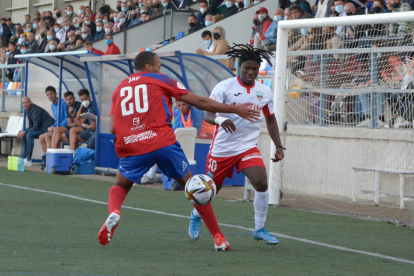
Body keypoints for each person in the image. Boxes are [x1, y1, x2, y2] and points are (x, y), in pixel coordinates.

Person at [98, 51, 261, 251]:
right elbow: (199, 102)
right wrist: (235, 109)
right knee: (194, 187)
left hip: (133, 145)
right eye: (158, 65)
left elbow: (112, 129)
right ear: (149, 67)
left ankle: (114, 211)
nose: (160, 68)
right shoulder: (160, 79)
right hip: (162, 142)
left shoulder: (119, 89)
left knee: (121, 185)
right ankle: (218, 237)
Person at [188, 45, 284, 246]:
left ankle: (259, 228)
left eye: (255, 69)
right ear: (239, 67)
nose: (250, 72)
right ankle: (196, 214)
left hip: (247, 147)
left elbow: (271, 119)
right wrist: (221, 121)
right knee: (210, 190)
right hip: (222, 148)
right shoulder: (224, 87)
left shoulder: (264, 91)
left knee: (261, 182)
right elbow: (208, 114)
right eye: (247, 68)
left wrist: (279, 146)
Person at [18, 97, 55, 167]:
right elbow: (31, 126)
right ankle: (23, 158)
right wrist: (23, 131)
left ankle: (28, 159)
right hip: (40, 128)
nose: (25, 104)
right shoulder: (28, 111)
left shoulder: (36, 110)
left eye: (26, 102)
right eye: (23, 103)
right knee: (24, 134)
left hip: (47, 129)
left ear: (30, 102)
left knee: (29, 135)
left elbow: (35, 127)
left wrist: (25, 132)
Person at [39, 86, 69, 167]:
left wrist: (55, 127)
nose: (49, 96)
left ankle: (51, 160)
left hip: (66, 127)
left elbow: (67, 119)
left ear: (55, 93)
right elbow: (57, 120)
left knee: (47, 135)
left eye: (51, 94)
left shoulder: (63, 103)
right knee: (41, 137)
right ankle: (46, 159)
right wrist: (53, 126)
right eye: (47, 95)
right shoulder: (52, 105)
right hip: (58, 127)